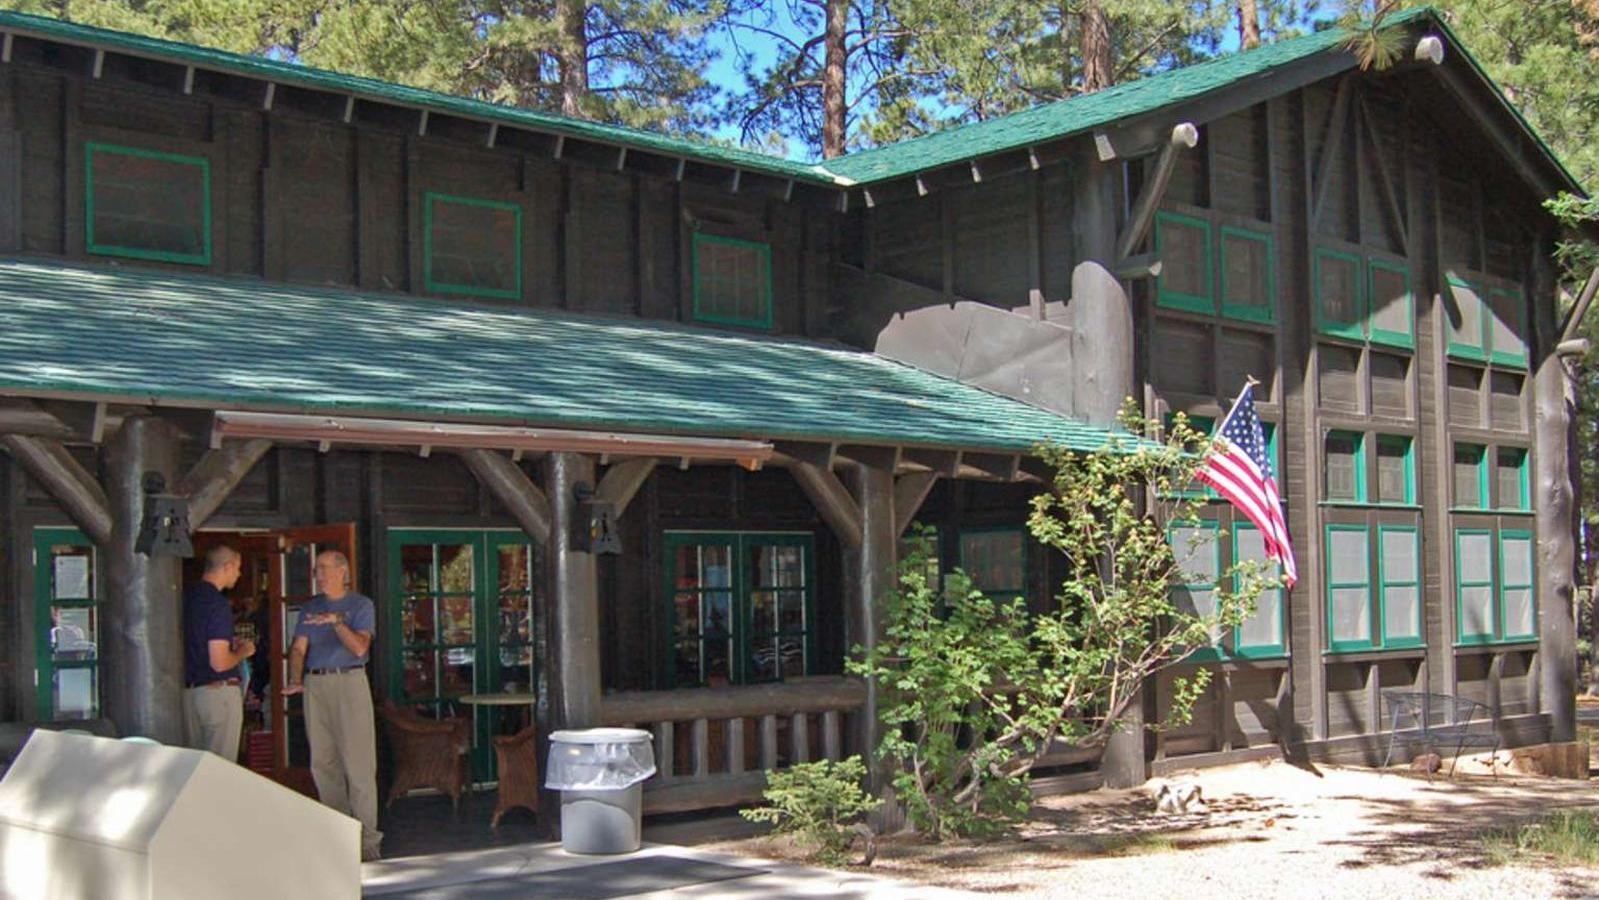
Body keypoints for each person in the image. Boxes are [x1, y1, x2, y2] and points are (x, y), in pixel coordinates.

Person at [283, 550, 381, 861]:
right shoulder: (310, 608)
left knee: (359, 766)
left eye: (324, 569)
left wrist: (337, 622)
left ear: (343, 571)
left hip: (349, 682)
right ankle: (340, 838)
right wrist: (296, 678)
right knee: (323, 763)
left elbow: (360, 647)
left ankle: (367, 844)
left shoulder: (360, 605)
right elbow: (298, 648)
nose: (319, 575)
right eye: (316, 570)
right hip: (316, 683)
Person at [182, 545, 254, 761]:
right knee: (219, 768)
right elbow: (220, 662)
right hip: (217, 693)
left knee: (192, 768)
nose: (239, 574)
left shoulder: (186, 598)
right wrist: (243, 650)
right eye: (238, 568)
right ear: (228, 566)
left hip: (189, 693)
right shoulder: (217, 604)